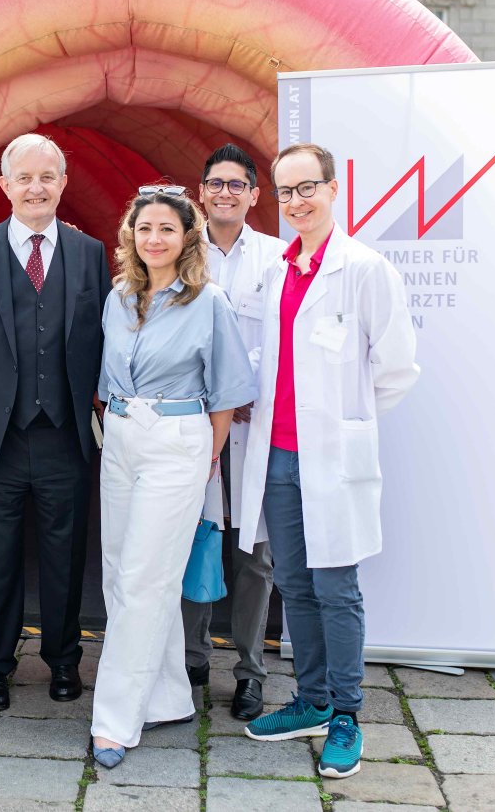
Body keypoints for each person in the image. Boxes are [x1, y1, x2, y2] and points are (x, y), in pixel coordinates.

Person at [239, 143, 419, 780]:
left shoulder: (365, 269)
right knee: (294, 583)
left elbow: (395, 368)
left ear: (333, 189)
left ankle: (346, 713)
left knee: (336, 589)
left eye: (306, 188)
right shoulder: (277, 270)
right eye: (285, 192)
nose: (296, 202)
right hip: (278, 456)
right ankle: (311, 700)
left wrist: (347, 425)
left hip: (334, 457)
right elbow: (266, 353)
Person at [0, 133, 111, 711]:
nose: (37, 188)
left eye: (47, 177)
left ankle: (64, 661)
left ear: (63, 184)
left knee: (65, 556)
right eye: (25, 178)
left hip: (65, 432)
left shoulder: (89, 252)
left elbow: (105, 340)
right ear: (5, 186)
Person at [89, 186, 254, 768]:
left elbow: (228, 392)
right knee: (120, 573)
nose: (154, 238)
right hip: (121, 437)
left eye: (166, 228)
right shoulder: (118, 298)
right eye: (144, 228)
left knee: (144, 578)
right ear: (130, 235)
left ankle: (114, 720)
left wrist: (205, 457)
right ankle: (166, 696)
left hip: (177, 440)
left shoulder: (209, 301)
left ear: (187, 237)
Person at [180, 144, 285, 720]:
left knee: (254, 558)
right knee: (192, 543)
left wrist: (243, 391)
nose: (225, 193)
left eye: (236, 184)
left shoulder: (276, 257)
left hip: (254, 423)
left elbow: (284, 338)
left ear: (253, 194)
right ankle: (192, 659)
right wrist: (216, 395)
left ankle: (250, 672)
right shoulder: (178, 251)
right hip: (193, 422)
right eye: (215, 183)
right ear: (202, 192)